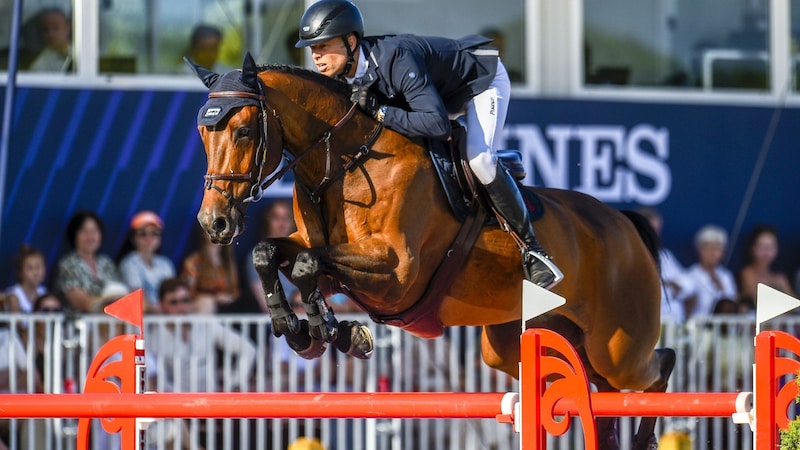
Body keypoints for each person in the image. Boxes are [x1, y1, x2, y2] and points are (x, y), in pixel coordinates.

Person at [293, 0, 562, 289]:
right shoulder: (344, 77)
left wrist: (382, 112)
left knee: (480, 158)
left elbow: (437, 124)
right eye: (312, 49)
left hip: (481, 82)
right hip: (440, 95)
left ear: (350, 41)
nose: (316, 56)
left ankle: (534, 252)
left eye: (323, 46)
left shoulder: (394, 60)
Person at [148, 277, 256, 392]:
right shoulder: (155, 337)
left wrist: (235, 384)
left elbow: (247, 349)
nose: (181, 307)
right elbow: (160, 381)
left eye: (185, 300)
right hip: (179, 405)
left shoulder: (205, 324)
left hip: (212, 402)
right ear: (161, 305)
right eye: (173, 302)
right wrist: (180, 400)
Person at [54, 210, 129, 313]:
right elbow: (79, 300)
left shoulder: (106, 263)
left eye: (94, 231)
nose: (90, 236)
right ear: (74, 235)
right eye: (84, 231)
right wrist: (107, 306)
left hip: (110, 324)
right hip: (79, 325)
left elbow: (120, 294)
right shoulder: (68, 264)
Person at [636, 207, 694, 325]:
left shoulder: (664, 254)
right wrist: (669, 285)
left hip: (673, 324)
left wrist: (670, 285)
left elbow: (688, 285)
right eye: (652, 230)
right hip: (645, 324)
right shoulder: (630, 254)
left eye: (657, 230)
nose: (655, 235)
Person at [246, 199, 299, 313]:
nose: (282, 224)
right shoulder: (257, 256)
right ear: (268, 221)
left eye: (286, 218)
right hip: (274, 325)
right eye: (276, 218)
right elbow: (267, 304)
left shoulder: (300, 254)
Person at [117, 211, 176, 312]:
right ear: (133, 238)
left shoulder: (166, 263)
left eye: (154, 233)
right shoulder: (129, 263)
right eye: (142, 233)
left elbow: (174, 294)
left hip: (167, 317)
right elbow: (138, 297)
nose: (148, 238)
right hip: (142, 318)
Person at [180, 228, 241, 314]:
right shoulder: (193, 262)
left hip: (226, 310)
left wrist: (229, 298)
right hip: (202, 308)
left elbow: (235, 292)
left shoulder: (229, 263)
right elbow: (188, 293)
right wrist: (214, 298)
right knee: (206, 302)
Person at [684, 225, 738, 318]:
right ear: (699, 250)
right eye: (708, 248)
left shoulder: (726, 275)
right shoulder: (690, 276)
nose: (712, 253)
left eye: (717, 248)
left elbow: (732, 300)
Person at [738, 224, 795, 309]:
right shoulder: (746, 274)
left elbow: (794, 306)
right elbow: (758, 301)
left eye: (771, 247)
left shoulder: (780, 278)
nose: (766, 252)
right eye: (761, 247)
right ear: (752, 248)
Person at [5, 245, 47, 315]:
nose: (36, 272)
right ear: (20, 273)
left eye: (38, 267)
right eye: (30, 268)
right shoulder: (14, 296)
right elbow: (17, 324)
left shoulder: (44, 293)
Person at [29, 7, 73, 72]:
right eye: (46, 29)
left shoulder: (81, 51)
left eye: (55, 28)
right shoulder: (40, 65)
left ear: (67, 28)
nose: (50, 34)